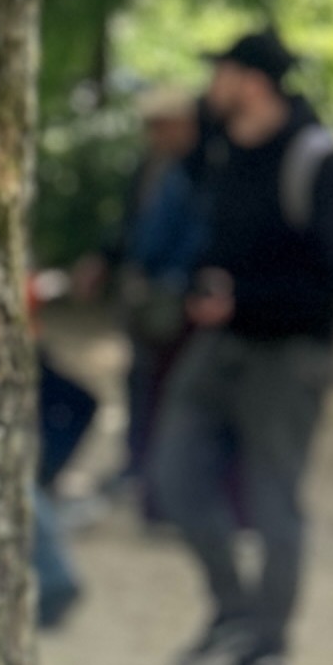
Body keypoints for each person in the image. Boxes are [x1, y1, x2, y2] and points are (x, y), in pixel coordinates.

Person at [153, 29, 333, 665]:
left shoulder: (318, 162)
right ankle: (232, 611)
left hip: (289, 354)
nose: (209, 86)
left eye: (220, 72)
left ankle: (267, 646)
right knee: (173, 476)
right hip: (220, 345)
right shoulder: (222, 151)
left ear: (251, 81)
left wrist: (246, 298)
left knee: (274, 499)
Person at [101, 85, 205, 508]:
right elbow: (134, 225)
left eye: (163, 125)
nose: (155, 134)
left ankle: (160, 480)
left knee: (167, 387)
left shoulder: (197, 171)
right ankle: (138, 465)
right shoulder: (151, 167)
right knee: (142, 381)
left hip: (174, 296)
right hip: (146, 291)